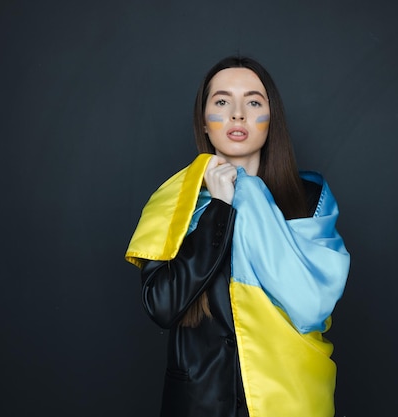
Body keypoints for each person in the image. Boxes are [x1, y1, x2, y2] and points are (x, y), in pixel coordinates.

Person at [125, 56, 350, 417]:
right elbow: (162, 305)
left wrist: (248, 197)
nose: (238, 114)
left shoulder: (309, 199)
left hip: (291, 399)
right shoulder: (174, 202)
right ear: (204, 119)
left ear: (270, 117)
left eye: (254, 102)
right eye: (222, 101)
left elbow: (312, 303)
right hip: (199, 403)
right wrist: (219, 208)